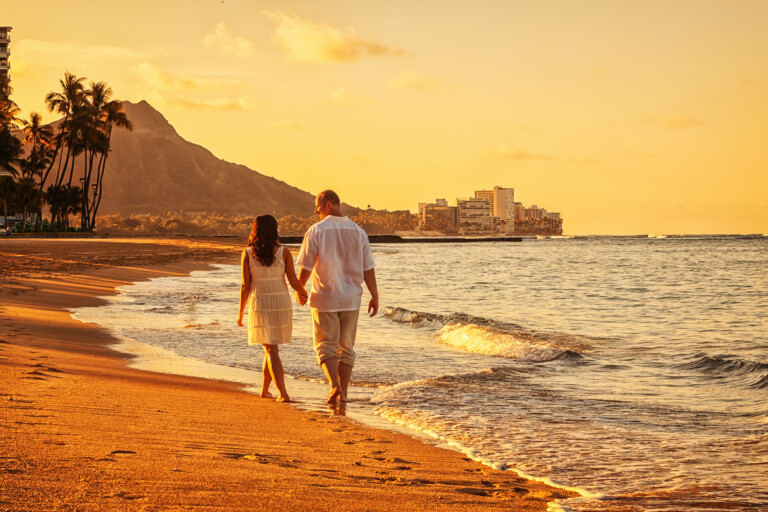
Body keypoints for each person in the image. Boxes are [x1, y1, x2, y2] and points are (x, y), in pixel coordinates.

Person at [296, 190, 378, 404]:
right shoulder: (358, 232)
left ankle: (335, 385)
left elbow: (305, 265)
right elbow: (368, 268)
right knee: (347, 348)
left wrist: (300, 289)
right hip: (351, 298)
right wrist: (374, 295)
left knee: (325, 345)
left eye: (317, 205)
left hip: (325, 297)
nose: (315, 210)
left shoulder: (316, 231)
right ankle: (344, 392)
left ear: (328, 205)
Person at [237, 215, 308, 402]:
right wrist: (304, 292)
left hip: (260, 301)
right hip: (280, 302)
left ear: (255, 230)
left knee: (271, 349)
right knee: (270, 348)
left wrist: (240, 313)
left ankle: (283, 394)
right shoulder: (284, 252)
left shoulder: (248, 253)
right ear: (274, 230)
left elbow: (246, 286)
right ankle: (264, 390)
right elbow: (293, 281)